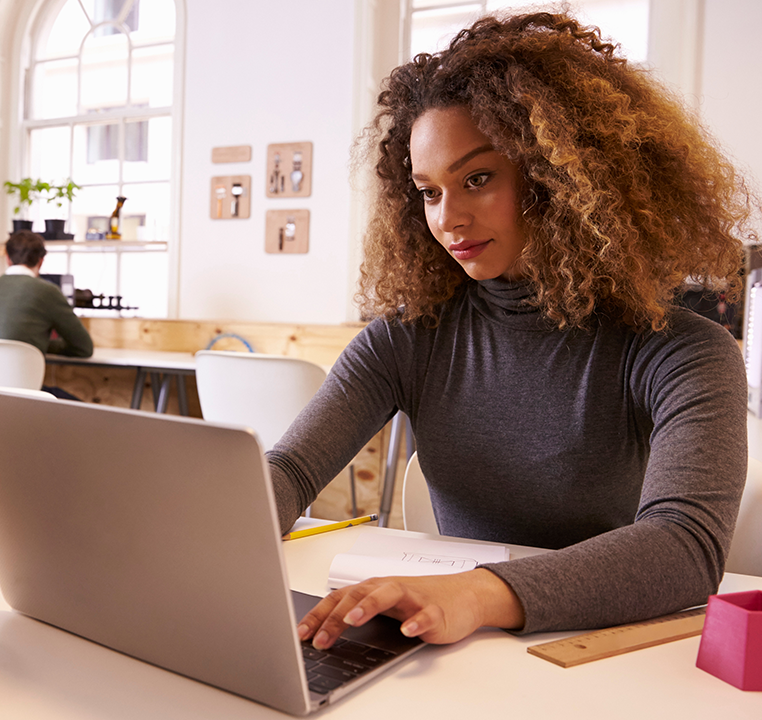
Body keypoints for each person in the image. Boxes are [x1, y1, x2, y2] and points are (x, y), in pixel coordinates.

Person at [271, 12, 753, 650]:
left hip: (600, 654)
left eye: (477, 178)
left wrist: (476, 593)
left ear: (559, 176)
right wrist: (208, 524)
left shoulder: (683, 352)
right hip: (452, 649)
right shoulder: (408, 338)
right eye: (428, 191)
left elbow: (685, 547)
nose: (449, 219)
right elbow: (291, 469)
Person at [0, 231, 93, 393]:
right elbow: (84, 348)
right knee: (83, 408)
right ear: (41, 261)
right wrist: (40, 343)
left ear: (8, 258)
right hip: (24, 394)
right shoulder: (47, 291)